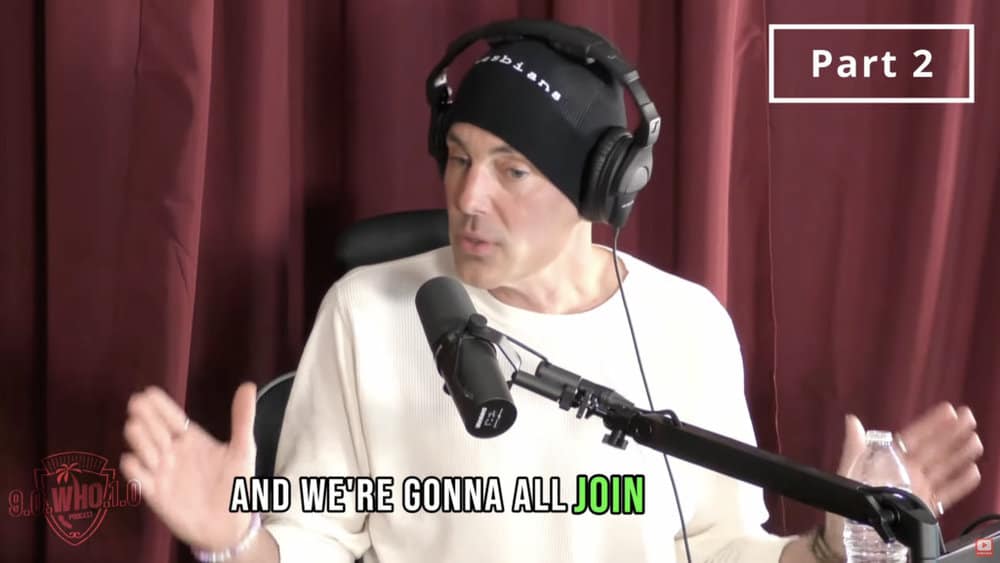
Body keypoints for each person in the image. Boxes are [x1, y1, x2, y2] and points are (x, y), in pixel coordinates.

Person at [120, 19, 983, 563]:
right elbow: (319, 538)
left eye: (513, 170)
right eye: (458, 157)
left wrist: (838, 544)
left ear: (599, 190)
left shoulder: (688, 326)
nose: (468, 196)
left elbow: (724, 547)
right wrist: (235, 538)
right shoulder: (366, 310)